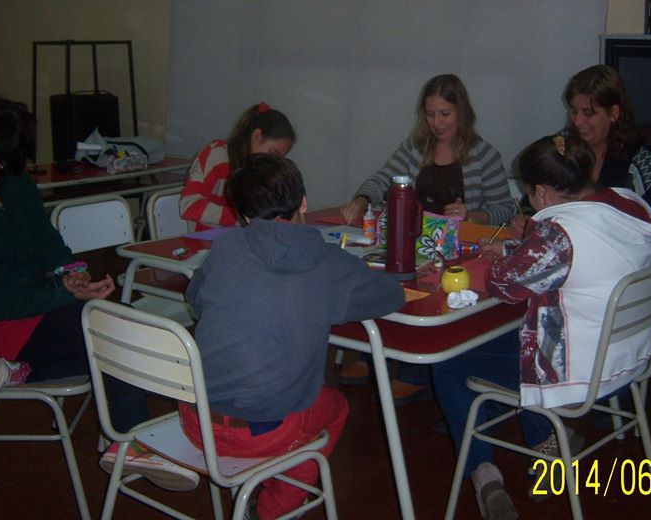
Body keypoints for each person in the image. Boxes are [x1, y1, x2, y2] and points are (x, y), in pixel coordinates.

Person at [0, 95, 197, 491]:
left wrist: (73, 275)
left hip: (36, 314)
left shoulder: (17, 186)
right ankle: (130, 437)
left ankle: (117, 430)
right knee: (106, 329)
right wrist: (64, 295)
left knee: (115, 326)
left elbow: (48, 245)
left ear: (3, 161)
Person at [432, 134, 651, 520]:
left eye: (529, 195)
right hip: (625, 358)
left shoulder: (559, 235)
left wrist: (492, 261)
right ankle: (549, 441)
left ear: (542, 192)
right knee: (516, 338)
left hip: (578, 371)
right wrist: (516, 247)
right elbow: (573, 259)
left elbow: (505, 284)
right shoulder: (624, 206)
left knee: (448, 361)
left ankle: (484, 475)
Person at [178, 153, 404, 520]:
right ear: (303, 202)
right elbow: (390, 296)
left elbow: (196, 300)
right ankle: (272, 510)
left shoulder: (225, 248)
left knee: (276, 387)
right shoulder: (327, 261)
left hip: (195, 418)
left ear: (243, 215)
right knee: (335, 407)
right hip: (263, 431)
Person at [339, 74, 516, 400]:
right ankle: (372, 352)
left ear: (462, 112)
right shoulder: (416, 147)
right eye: (430, 114)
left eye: (445, 113)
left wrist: (470, 214)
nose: (437, 123)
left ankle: (414, 372)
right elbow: (384, 178)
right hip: (415, 244)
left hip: (456, 252)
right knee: (379, 277)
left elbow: (505, 209)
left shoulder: (484, 155)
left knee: (424, 293)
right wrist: (362, 199)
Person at [563, 64, 651, 249]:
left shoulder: (639, 160)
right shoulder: (564, 148)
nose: (577, 121)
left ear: (613, 113)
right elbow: (533, 200)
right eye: (574, 111)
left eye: (588, 113)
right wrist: (525, 220)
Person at [179, 102, 296, 231]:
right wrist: (241, 218)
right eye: (273, 153)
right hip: (208, 239)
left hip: (242, 236)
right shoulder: (217, 155)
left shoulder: (260, 170)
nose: (273, 162)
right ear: (256, 136)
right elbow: (189, 207)